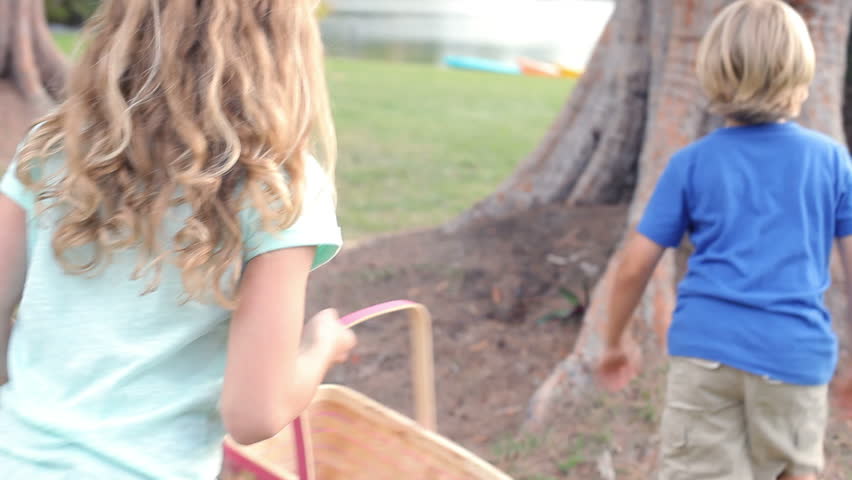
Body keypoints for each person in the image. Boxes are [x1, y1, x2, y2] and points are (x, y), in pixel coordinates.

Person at [0, 0, 356, 478]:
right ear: (284, 37)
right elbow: (255, 414)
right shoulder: (279, 189)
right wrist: (320, 348)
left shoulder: (54, 143)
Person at [595, 1, 852, 479]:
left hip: (706, 353)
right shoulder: (831, 161)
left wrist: (614, 340)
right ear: (801, 72)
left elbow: (634, 267)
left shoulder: (690, 164)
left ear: (712, 71)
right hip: (794, 355)